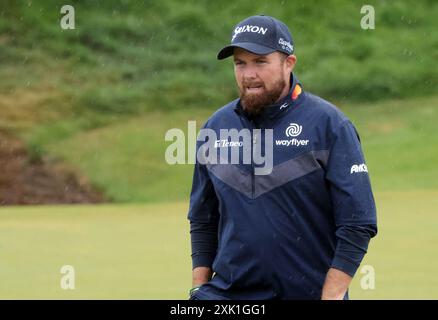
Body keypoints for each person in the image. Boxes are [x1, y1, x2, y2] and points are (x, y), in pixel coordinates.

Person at [187, 15, 377, 300]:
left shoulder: (329, 125)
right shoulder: (215, 128)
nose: (248, 74)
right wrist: (199, 288)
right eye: (240, 63)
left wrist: (332, 295)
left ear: (289, 63)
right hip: (226, 296)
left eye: (260, 62)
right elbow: (203, 218)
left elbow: (358, 222)